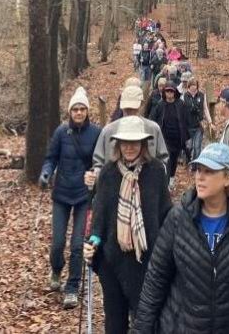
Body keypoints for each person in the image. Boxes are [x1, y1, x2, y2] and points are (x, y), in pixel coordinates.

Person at [133, 143, 229, 334]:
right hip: (181, 326)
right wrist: (141, 329)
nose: (199, 177)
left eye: (208, 171)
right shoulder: (178, 218)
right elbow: (156, 279)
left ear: (227, 178)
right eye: (198, 170)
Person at [83, 116, 173, 334]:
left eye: (135, 142)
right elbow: (100, 218)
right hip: (112, 261)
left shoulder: (156, 172)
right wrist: (92, 242)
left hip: (147, 261)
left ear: (143, 144)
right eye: (125, 142)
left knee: (146, 323)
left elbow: (165, 214)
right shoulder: (107, 173)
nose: (130, 147)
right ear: (118, 144)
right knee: (115, 323)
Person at [38, 87, 102, 309]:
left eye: (82, 109)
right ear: (69, 111)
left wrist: (95, 173)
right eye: (75, 109)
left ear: (87, 111)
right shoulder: (60, 132)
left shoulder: (96, 133)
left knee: (77, 245)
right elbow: (50, 158)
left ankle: (72, 288)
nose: (78, 112)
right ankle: (56, 269)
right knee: (57, 243)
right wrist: (45, 173)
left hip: (85, 196)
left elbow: (100, 161)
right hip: (62, 195)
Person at [91, 80, 169, 176]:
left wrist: (157, 178)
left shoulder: (153, 129)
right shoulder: (108, 131)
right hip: (114, 185)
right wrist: (98, 177)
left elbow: (163, 159)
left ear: (142, 104)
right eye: (127, 109)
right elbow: (98, 162)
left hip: (146, 185)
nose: (130, 112)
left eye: (133, 109)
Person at [149, 83, 190, 190]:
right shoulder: (160, 105)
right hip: (164, 138)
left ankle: (171, 178)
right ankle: (166, 183)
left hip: (177, 138)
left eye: (171, 91)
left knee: (174, 159)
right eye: (167, 91)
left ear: (175, 92)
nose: (169, 93)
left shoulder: (181, 104)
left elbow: (186, 120)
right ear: (164, 92)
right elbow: (152, 119)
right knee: (167, 159)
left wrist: (187, 137)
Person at [181, 77, 213, 162]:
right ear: (189, 86)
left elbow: (205, 109)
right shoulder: (184, 96)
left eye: (195, 85)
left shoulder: (202, 95)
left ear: (197, 86)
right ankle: (187, 160)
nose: (193, 87)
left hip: (199, 125)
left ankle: (195, 166)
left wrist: (210, 122)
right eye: (191, 85)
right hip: (188, 126)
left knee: (197, 147)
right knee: (189, 146)